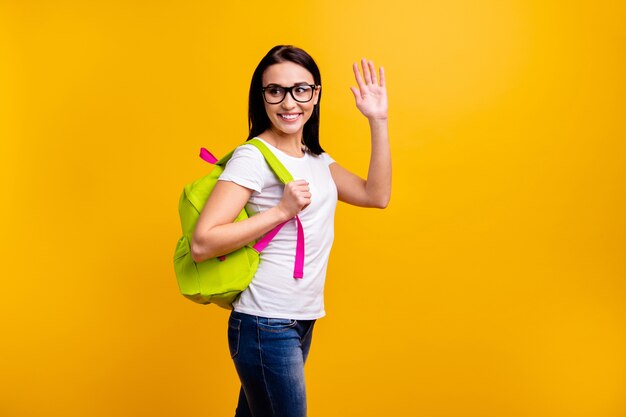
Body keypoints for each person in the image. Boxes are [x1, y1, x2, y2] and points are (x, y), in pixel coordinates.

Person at [190, 45, 391, 417]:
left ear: (316, 94)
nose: (289, 102)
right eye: (275, 90)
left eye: (301, 89)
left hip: (300, 318)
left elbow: (375, 195)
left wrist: (377, 121)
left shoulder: (316, 160)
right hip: (266, 321)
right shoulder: (253, 156)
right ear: (261, 97)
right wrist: (281, 211)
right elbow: (203, 242)